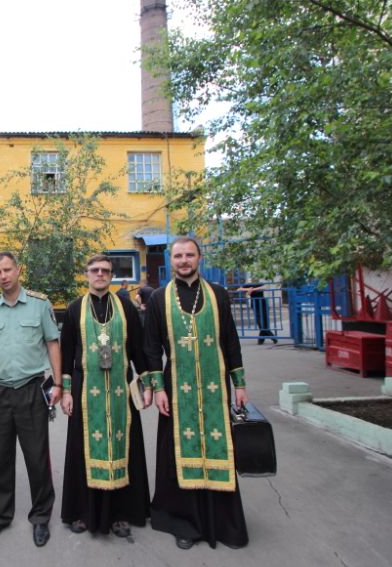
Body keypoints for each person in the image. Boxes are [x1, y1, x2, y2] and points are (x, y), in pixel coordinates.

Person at [142, 236, 251, 550]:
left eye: (189, 255)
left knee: (218, 449)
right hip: (176, 388)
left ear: (199, 258)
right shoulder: (159, 298)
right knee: (179, 452)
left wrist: (240, 384)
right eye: (178, 256)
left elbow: (230, 340)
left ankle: (223, 523)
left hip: (216, 388)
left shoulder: (218, 294)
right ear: (171, 260)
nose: (184, 260)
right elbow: (151, 348)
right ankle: (183, 522)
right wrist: (158, 389)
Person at [59, 254, 152, 538]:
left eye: (105, 271)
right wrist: (65, 392)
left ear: (111, 276)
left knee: (124, 449)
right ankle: (85, 512)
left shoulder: (125, 307)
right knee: (83, 451)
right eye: (95, 270)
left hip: (121, 391)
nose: (100, 274)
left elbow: (138, 348)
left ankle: (120, 514)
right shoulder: (74, 308)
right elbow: (66, 352)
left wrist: (148, 384)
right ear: (86, 274)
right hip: (85, 391)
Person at [0, 251, 61, 547]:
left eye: (7, 270)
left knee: (37, 458)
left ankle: (40, 517)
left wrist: (58, 383)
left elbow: (52, 343)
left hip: (31, 390)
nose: (3, 276)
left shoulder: (39, 304)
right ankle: (0, 517)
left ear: (18, 270)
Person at [237, 280, 278, 345]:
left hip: (262, 303)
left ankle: (262, 339)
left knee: (264, 320)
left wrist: (253, 289)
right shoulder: (248, 284)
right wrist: (248, 289)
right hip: (255, 303)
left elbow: (264, 287)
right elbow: (239, 289)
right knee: (259, 321)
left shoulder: (259, 283)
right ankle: (270, 337)